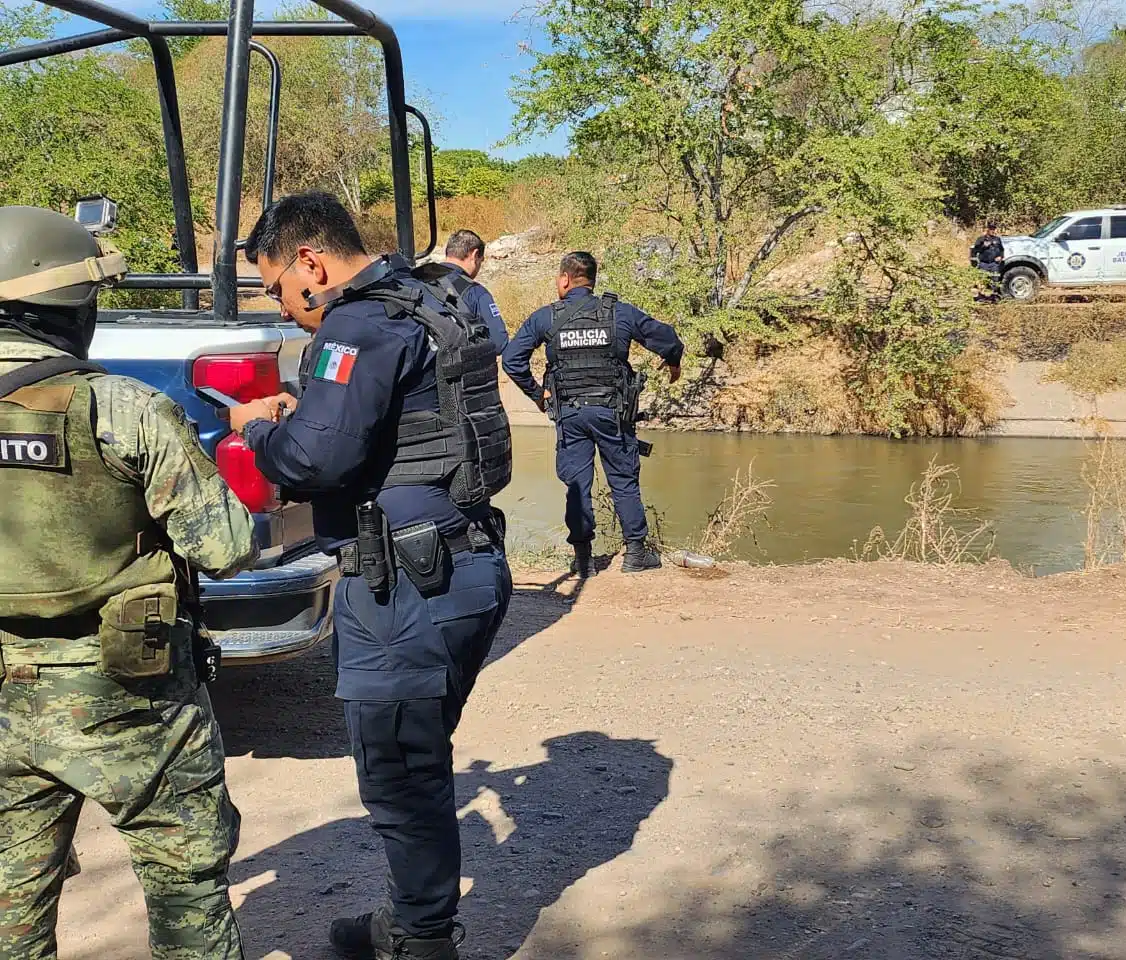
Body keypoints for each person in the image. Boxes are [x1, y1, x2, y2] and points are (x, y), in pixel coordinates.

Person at [226, 192, 512, 960]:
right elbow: (394, 423)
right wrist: (307, 410)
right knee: (417, 760)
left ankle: (421, 941)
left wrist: (255, 428)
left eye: (281, 289)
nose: (286, 310)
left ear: (311, 263)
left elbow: (315, 461)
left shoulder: (356, 322)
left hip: (409, 585)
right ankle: (409, 917)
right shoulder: (427, 295)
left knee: (400, 774)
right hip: (468, 562)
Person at [0, 206, 256, 959]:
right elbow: (226, 547)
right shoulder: (124, 407)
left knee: (11, 910)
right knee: (187, 898)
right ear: (71, 307)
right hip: (132, 698)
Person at [502, 251, 683, 578]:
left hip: (570, 415)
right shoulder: (619, 313)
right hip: (612, 413)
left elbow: (512, 359)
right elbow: (666, 337)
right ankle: (635, 554)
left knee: (577, 484)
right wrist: (673, 362)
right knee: (624, 481)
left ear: (564, 280)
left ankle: (583, 560)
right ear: (593, 280)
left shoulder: (546, 318)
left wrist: (536, 394)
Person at [435, 229, 507, 351]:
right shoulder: (475, 292)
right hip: (454, 366)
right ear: (475, 255)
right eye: (481, 261)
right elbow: (499, 342)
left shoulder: (419, 280)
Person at [970, 220, 1004, 301]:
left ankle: (994, 297)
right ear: (987, 229)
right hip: (983, 263)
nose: (993, 230)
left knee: (995, 281)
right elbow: (975, 251)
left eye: (994, 229)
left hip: (994, 264)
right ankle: (981, 297)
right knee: (982, 281)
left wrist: (1001, 257)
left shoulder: (997, 239)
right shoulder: (981, 239)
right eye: (991, 229)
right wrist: (983, 246)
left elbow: (1002, 250)